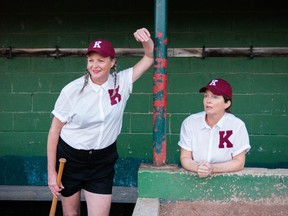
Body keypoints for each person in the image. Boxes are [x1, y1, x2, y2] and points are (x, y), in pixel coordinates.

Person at [47, 28, 154, 216]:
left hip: (102, 160)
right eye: (91, 60)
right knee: (71, 214)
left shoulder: (121, 82)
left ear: (112, 63)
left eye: (101, 60)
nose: (94, 65)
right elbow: (54, 131)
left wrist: (145, 41)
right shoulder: (71, 91)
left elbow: (149, 57)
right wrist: (51, 173)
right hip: (70, 159)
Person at [178, 78, 251, 178]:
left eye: (215, 97)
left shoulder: (237, 125)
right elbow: (185, 157)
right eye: (206, 96)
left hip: (227, 181)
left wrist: (212, 168)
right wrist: (198, 168)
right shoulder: (190, 122)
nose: (208, 101)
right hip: (194, 179)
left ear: (227, 103)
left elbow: (239, 162)